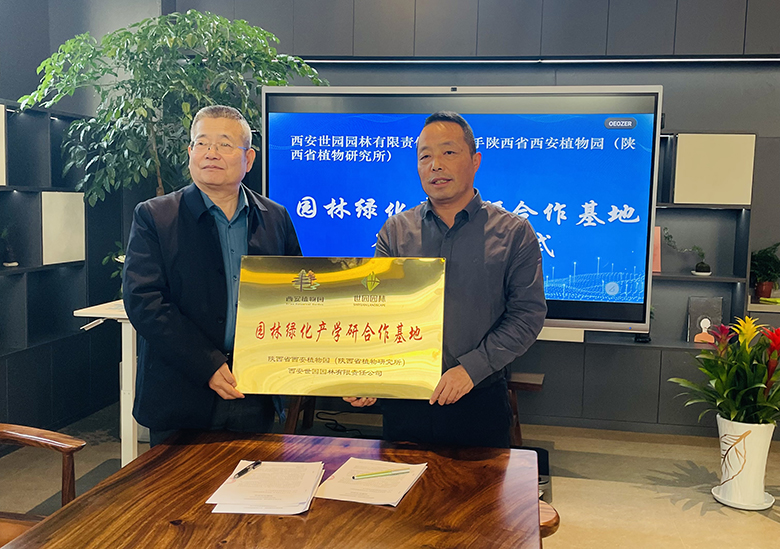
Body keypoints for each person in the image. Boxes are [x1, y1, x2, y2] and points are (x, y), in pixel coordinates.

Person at [346, 111, 547, 448]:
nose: (435, 165)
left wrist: (471, 369)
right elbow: (379, 310)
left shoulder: (514, 233)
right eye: (425, 156)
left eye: (448, 152)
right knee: (402, 483)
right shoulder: (395, 232)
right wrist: (368, 375)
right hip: (404, 402)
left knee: (480, 485)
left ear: (475, 161)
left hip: (478, 398)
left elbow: (527, 315)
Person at [123, 105, 301, 446]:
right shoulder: (155, 216)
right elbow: (145, 302)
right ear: (190, 152)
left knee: (255, 478)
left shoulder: (275, 217)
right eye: (202, 143)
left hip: (254, 390)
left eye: (224, 144)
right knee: (180, 482)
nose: (211, 153)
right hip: (180, 393)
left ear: (248, 158)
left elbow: (296, 295)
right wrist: (207, 364)